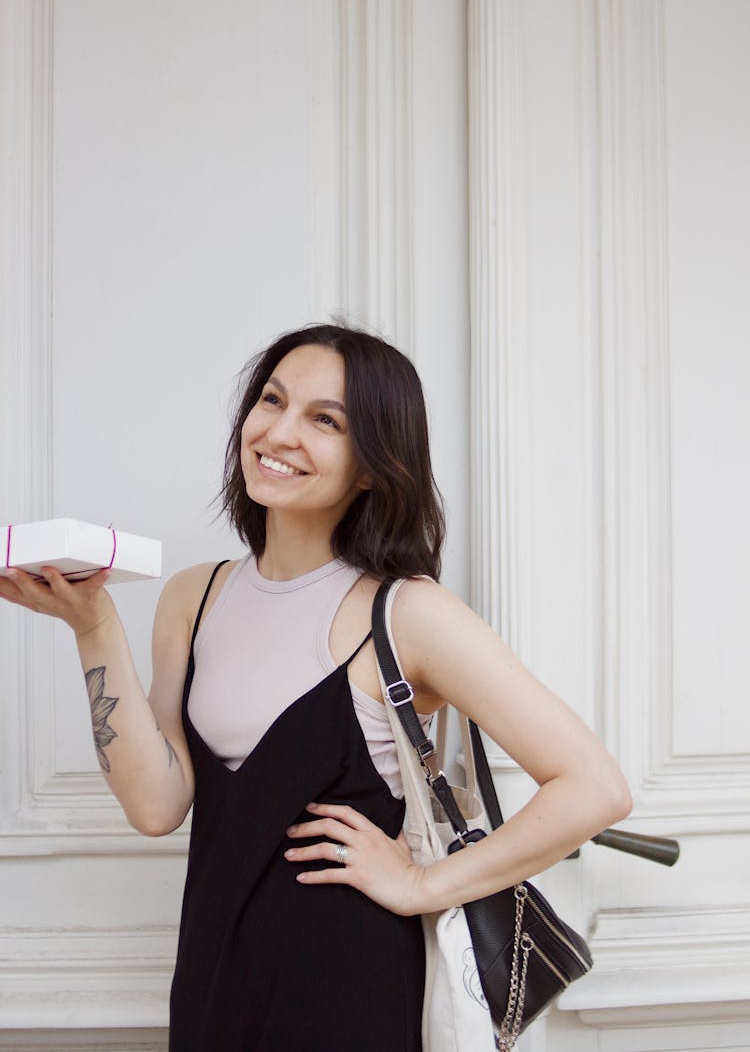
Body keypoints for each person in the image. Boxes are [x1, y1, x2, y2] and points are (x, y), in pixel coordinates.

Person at [0, 322, 631, 1051]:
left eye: (324, 419)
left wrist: (421, 885)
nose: (279, 430)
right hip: (212, 979)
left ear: (372, 464)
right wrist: (93, 626)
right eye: (272, 400)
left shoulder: (408, 611)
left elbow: (595, 785)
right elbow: (155, 804)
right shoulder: (192, 596)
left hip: (348, 991)